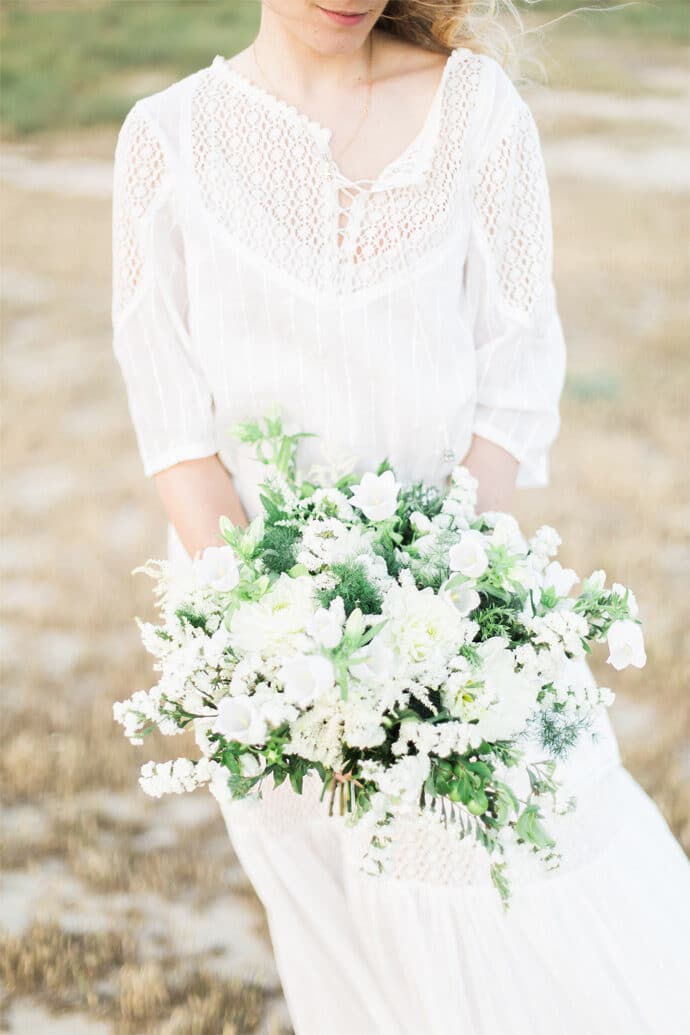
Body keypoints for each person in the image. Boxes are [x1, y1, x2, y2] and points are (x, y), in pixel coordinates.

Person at [110, 2, 690, 1032]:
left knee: (550, 891)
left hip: (462, 619)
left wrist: (435, 610)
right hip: (262, 643)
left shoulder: (477, 112)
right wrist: (287, 657)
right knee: (350, 939)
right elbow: (179, 440)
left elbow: (513, 377)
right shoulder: (167, 141)